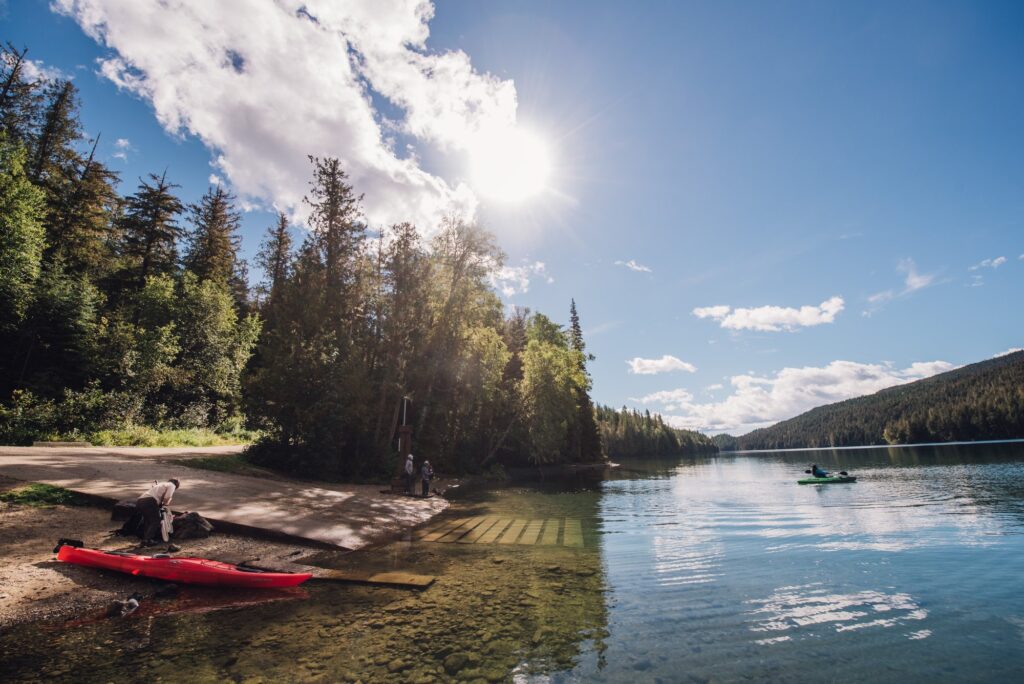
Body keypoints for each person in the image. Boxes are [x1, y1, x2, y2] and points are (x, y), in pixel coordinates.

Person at [137, 478, 179, 545]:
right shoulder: (172, 486)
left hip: (140, 501)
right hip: (149, 501)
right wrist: (167, 502)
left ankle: (145, 538)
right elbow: (166, 498)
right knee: (155, 521)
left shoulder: (162, 484)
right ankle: (147, 540)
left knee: (148, 521)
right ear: (176, 484)